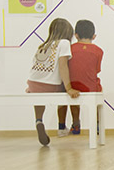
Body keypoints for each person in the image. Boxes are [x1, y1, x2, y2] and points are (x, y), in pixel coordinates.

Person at [26, 18, 80, 146]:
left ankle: (38, 120)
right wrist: (68, 88)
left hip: (33, 83)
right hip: (50, 86)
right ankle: (67, 124)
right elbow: (63, 66)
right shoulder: (64, 43)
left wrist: (32, 86)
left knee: (38, 97)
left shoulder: (43, 45)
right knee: (63, 89)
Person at [66, 19, 104, 135]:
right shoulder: (99, 51)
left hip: (73, 85)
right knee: (98, 91)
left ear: (76, 35)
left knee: (73, 94)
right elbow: (97, 70)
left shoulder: (69, 49)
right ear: (94, 36)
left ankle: (76, 123)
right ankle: (97, 123)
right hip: (91, 87)